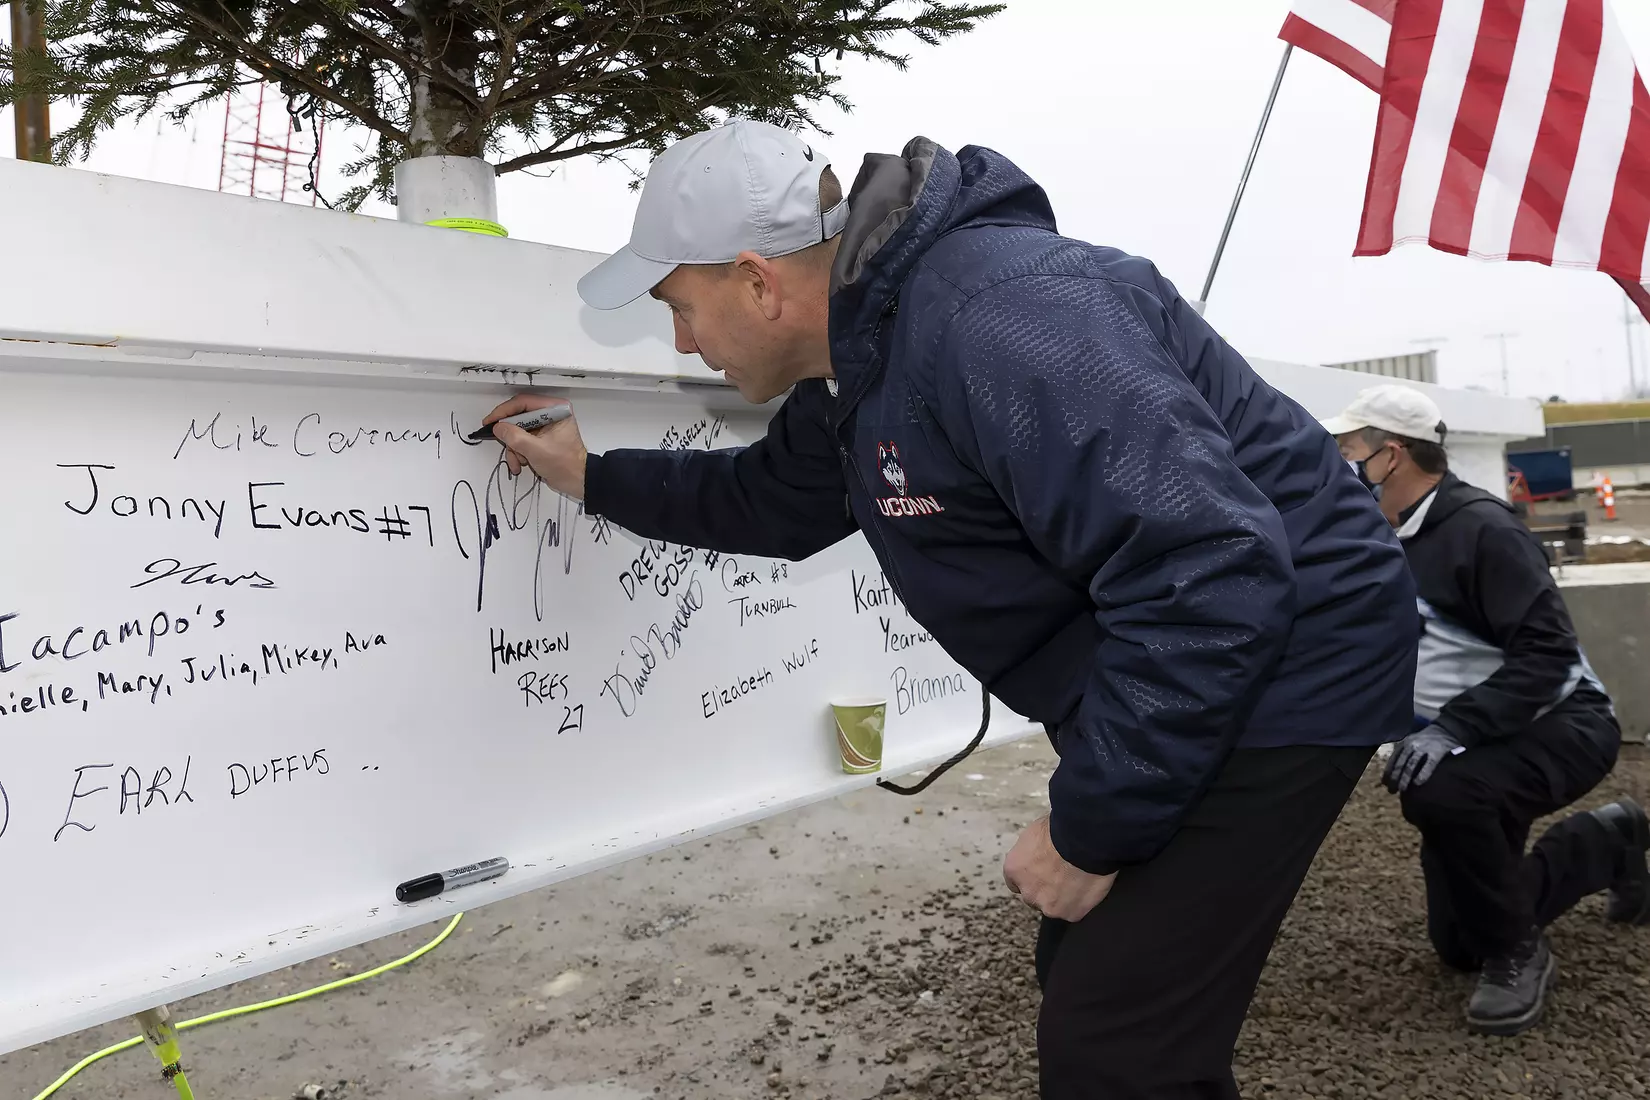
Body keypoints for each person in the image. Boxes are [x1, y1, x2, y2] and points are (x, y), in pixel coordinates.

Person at [487, 119, 1418, 1098]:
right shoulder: (863, 350)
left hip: (1284, 657)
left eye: (681, 307)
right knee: (1094, 984)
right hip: (1202, 644)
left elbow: (1211, 570)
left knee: (1116, 1042)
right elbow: (775, 499)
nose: (682, 340)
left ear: (758, 281)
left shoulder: (998, 320)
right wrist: (590, 476)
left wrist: (1089, 828)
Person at [1324, 383, 1649, 1036]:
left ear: (1391, 455)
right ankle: (1606, 841)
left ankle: (1519, 954)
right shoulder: (1386, 533)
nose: (1338, 463)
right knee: (1458, 947)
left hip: (1563, 722)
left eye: (1348, 449)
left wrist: (1452, 728)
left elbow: (1548, 655)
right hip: (1484, 736)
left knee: (1441, 791)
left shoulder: (1484, 531)